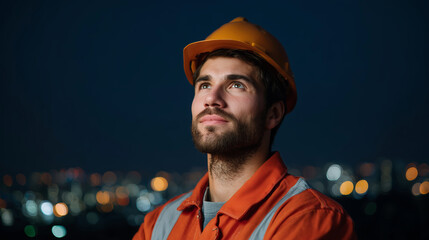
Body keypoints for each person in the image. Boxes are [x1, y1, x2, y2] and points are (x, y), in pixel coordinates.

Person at [133, 17, 356, 240]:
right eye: (205, 85)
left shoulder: (308, 218)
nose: (211, 98)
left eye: (236, 85)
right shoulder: (158, 224)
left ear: (273, 114)